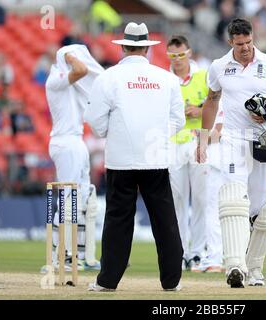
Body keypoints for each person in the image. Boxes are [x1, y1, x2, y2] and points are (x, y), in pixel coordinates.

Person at [85, 22, 185, 292]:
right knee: (165, 219)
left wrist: (112, 131)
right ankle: (172, 281)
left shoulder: (108, 77)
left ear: (124, 48)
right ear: (145, 49)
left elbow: (95, 122)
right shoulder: (167, 78)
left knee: (118, 218)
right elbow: (178, 120)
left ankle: (107, 281)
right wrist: (157, 138)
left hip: (121, 158)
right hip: (156, 158)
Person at [197, 18, 266, 288]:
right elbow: (211, 101)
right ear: (231, 42)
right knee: (234, 198)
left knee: (262, 208)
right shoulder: (219, 67)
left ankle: (255, 269)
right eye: (240, 44)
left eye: (249, 42)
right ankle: (234, 266)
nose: (246, 48)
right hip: (234, 140)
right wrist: (203, 140)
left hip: (263, 140)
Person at [45, 44, 104, 272]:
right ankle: (60, 255)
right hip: (64, 141)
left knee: (83, 198)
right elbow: (80, 69)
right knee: (69, 198)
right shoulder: (56, 78)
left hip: (76, 140)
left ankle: (81, 255)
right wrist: (67, 54)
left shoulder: (71, 83)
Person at [166, 35, 209, 271]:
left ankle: (197, 252)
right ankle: (180, 252)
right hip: (173, 144)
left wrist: (199, 110)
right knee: (178, 200)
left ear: (189, 53)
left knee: (201, 198)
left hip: (197, 142)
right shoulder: (165, 79)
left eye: (181, 54)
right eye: (173, 55)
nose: (178, 60)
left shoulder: (203, 75)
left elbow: (216, 106)